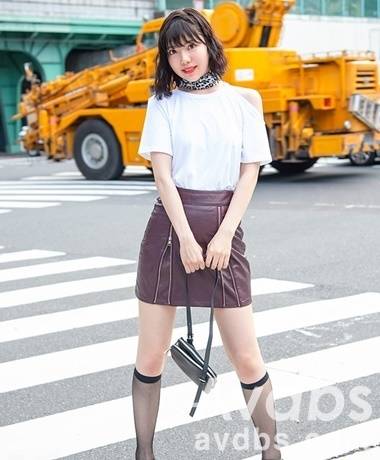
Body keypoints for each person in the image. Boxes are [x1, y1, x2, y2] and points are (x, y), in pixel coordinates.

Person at [132, 7, 282, 460]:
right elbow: (162, 176)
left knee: (248, 358)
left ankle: (272, 453)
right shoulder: (163, 103)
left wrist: (221, 236)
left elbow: (249, 172)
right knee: (152, 355)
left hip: (223, 230)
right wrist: (185, 238)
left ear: (210, 44)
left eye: (191, 45)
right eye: (174, 51)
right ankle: (145, 453)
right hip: (169, 233)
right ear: (166, 58)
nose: (185, 58)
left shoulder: (243, 101)